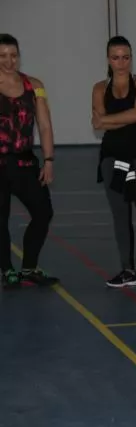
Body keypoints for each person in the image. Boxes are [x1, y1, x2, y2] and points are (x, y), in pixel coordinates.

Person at [91, 35, 136, 288]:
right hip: (111, 156)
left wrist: (111, 119)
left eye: (126, 57)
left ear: (131, 58)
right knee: (120, 216)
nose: (121, 63)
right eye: (116, 58)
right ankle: (128, 270)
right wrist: (133, 117)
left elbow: (130, 113)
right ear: (108, 60)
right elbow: (98, 123)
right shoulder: (99, 89)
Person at [0, 33, 59, 289]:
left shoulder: (34, 85)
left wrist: (48, 160)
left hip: (25, 163)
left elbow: (44, 126)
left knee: (43, 212)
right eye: (2, 56)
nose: (9, 61)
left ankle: (29, 267)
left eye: (13, 55)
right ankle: (7, 270)